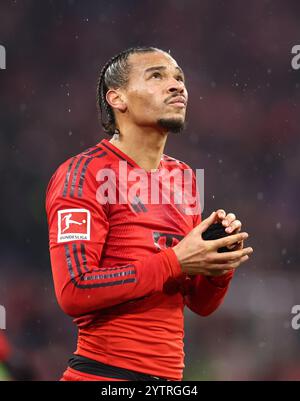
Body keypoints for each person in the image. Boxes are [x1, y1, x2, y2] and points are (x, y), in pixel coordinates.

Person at [45, 46, 253, 381]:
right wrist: (175, 261)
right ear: (118, 99)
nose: (177, 85)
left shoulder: (183, 178)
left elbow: (199, 303)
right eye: (157, 76)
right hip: (104, 375)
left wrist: (217, 266)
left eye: (179, 78)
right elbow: (74, 290)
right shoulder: (83, 174)